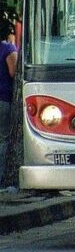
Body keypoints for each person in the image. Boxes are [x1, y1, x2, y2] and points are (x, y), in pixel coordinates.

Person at [0, 21, 17, 180]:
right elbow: (13, 72)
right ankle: (2, 177)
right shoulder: (8, 49)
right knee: (4, 139)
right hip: (3, 98)